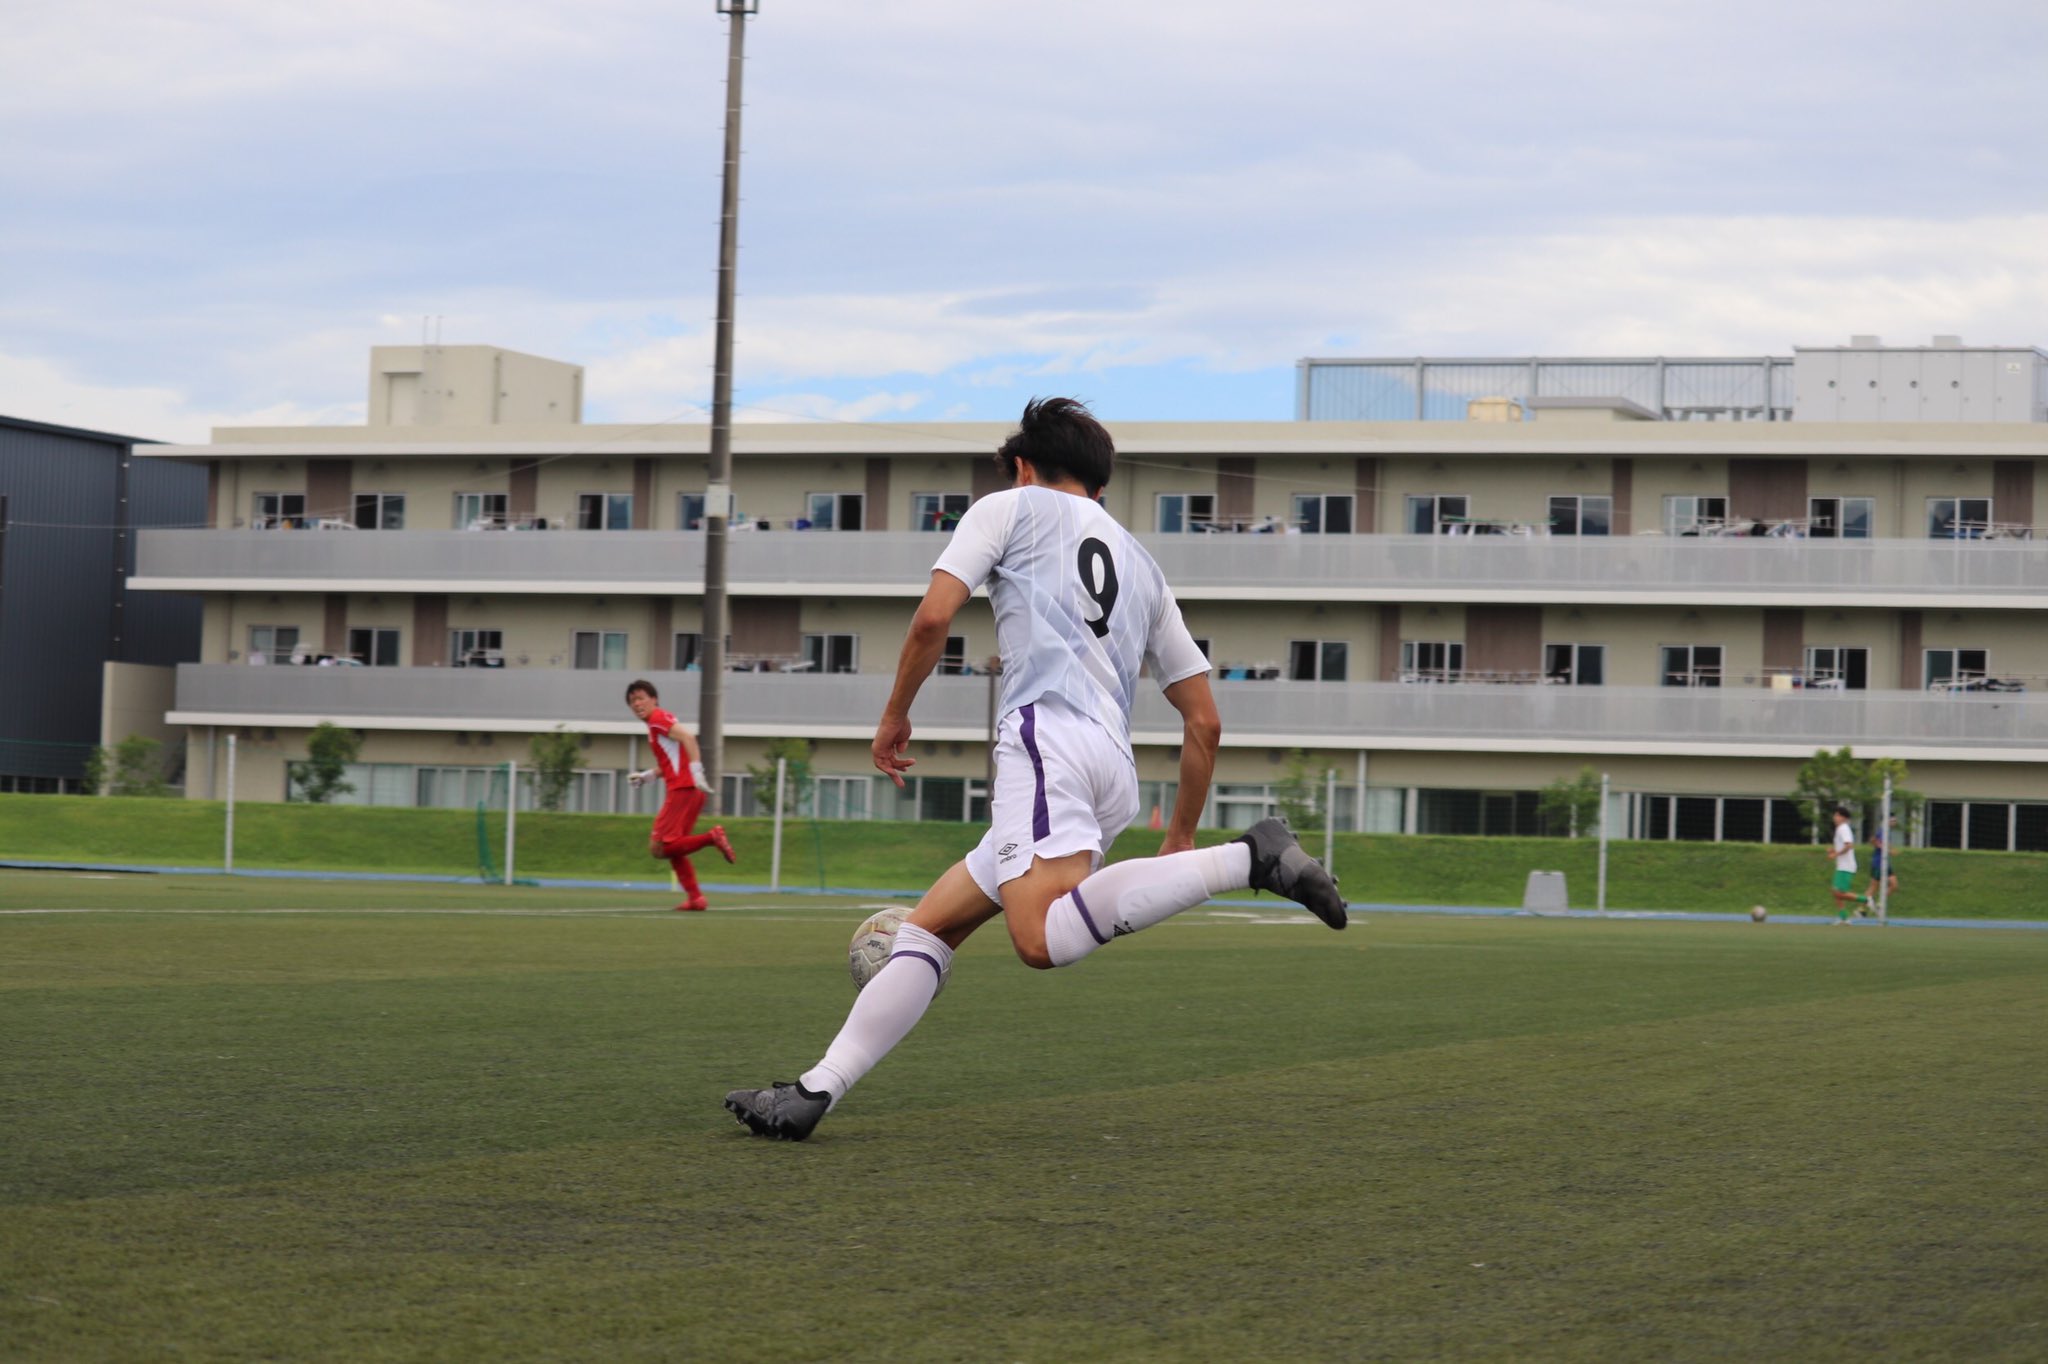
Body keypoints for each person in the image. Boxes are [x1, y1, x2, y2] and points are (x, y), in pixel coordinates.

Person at [724, 398, 1347, 1141]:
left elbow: (932, 618)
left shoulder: (1008, 509)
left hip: (1043, 740)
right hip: (1108, 768)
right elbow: (1205, 720)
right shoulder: (1143, 566)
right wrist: (1177, 837)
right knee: (930, 929)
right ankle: (811, 1093)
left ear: (1023, 466)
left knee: (1039, 940)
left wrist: (894, 716)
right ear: (1099, 484)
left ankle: (1251, 857)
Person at [624, 679, 734, 911]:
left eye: (641, 697)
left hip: (682, 790)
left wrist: (696, 770)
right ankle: (696, 898)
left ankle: (712, 837)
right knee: (675, 847)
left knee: (659, 847)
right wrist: (647, 776)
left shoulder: (657, 719)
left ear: (654, 700)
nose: (637, 703)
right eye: (632, 700)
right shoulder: (657, 725)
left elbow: (689, 738)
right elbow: (672, 760)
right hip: (690, 790)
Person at [1824, 805, 1872, 924]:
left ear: (1843, 817)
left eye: (1836, 815)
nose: (1834, 817)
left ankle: (1865, 899)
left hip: (1846, 866)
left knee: (1838, 893)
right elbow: (1843, 847)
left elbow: (1849, 845)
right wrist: (1833, 852)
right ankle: (1844, 918)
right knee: (1836, 892)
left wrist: (1835, 854)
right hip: (1842, 865)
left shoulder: (1843, 828)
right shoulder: (1840, 829)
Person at [1866, 820, 1898, 911]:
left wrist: (1891, 849)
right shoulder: (1882, 831)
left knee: (1894, 885)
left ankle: (1880, 903)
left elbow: (1885, 844)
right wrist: (1886, 849)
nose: (1894, 822)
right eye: (1893, 820)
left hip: (1886, 864)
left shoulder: (1888, 832)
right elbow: (1873, 840)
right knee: (1873, 887)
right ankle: (1861, 910)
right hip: (1878, 863)